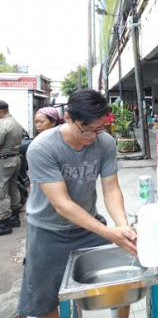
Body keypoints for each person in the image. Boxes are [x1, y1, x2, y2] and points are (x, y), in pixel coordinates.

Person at [17, 89, 137, 318]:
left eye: (99, 129)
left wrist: (122, 227)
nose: (92, 136)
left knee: (124, 281)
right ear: (68, 118)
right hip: (48, 232)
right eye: (86, 130)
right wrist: (109, 232)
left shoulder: (105, 143)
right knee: (46, 302)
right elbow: (62, 204)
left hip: (88, 226)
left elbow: (111, 189)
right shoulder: (43, 147)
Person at [0, 100, 23, 236]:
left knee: (2, 192)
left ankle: (4, 223)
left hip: (4, 160)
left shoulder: (3, 124)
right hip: (15, 158)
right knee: (13, 188)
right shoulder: (15, 122)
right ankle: (15, 218)